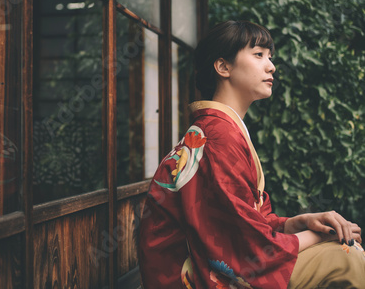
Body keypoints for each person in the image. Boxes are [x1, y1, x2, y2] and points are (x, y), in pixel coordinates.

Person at [138, 21, 364, 288]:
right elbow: (245, 242)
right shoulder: (217, 136)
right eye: (259, 55)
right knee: (346, 257)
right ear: (223, 67)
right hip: (191, 276)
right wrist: (317, 235)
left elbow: (242, 221)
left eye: (270, 57)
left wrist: (297, 222)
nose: (271, 66)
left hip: (205, 265)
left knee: (345, 252)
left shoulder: (218, 129)